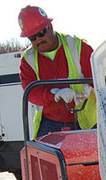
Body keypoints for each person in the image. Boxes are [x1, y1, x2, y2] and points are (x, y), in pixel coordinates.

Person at [18, 5, 97, 139]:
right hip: (50, 122)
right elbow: (30, 92)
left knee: (94, 157)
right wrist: (53, 94)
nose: (38, 39)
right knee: (44, 157)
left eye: (41, 33)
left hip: (85, 119)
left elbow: (99, 80)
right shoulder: (28, 60)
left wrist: (86, 94)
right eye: (32, 37)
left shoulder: (78, 48)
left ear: (51, 27)